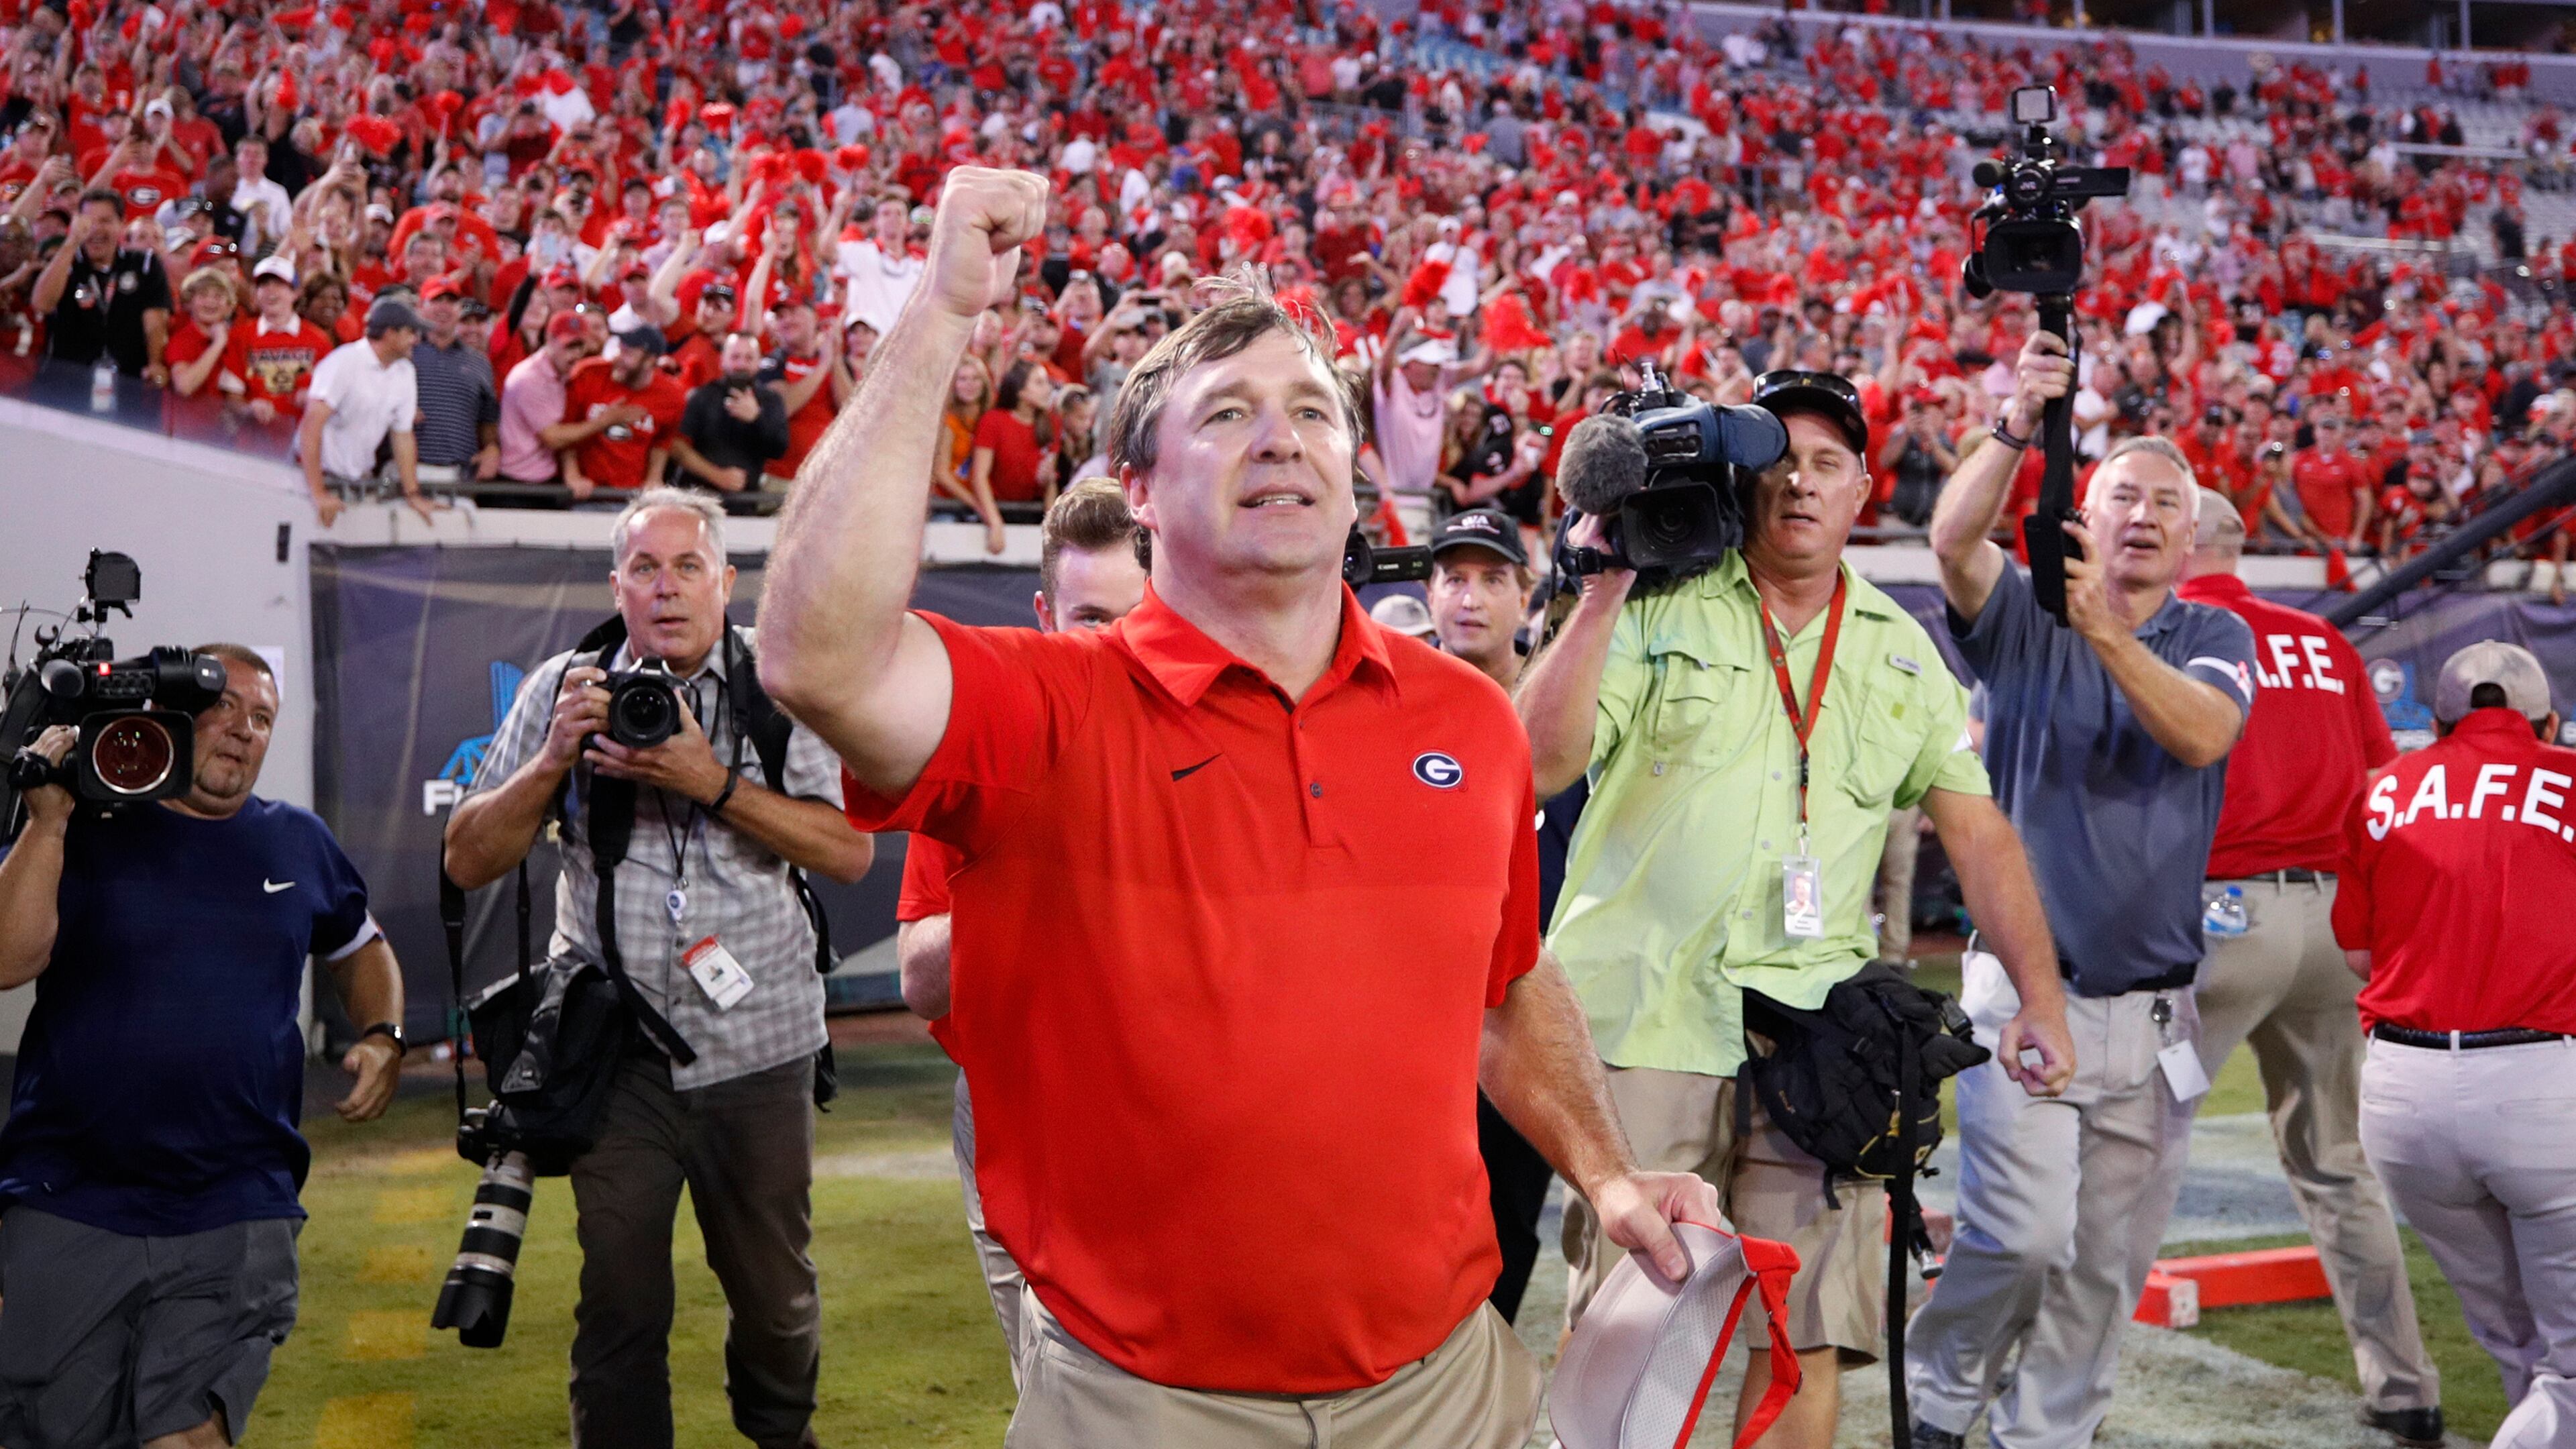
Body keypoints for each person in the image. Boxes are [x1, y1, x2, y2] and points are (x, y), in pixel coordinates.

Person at [760, 167, 1715, 1449]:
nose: (1282, 437)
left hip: (1448, 1389)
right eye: (1227, 413)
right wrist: (939, 312)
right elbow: (815, 656)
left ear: (1357, 474)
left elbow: (1504, 980)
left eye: (1314, 411)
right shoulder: (1049, 704)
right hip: (1142, 1405)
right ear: (1138, 491)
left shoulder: (1468, 722)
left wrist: (1605, 1167)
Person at [1517, 369, 2074, 1449]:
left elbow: (1981, 836)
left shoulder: (1902, 653)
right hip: (1644, 1022)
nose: (1801, 487)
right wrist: (1597, 588)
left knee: (1804, 1336)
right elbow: (1535, 764)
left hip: (1822, 1039)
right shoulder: (1653, 604)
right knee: (1634, 1328)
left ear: (1864, 489)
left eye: (1827, 465)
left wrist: (2041, 1004)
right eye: (1778, 466)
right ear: (1743, 488)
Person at [442, 488, 874, 1449]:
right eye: (646, 568)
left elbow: (848, 852)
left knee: (775, 1302)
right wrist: (555, 752)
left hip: (759, 1050)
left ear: (725, 582)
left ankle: (782, 1437)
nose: (667, 588)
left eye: (688, 567)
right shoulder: (568, 684)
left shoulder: (783, 681)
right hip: (617, 1051)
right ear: (618, 587)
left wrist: (708, 782)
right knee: (620, 1301)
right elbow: (468, 858)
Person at [1909, 331, 2261, 1449]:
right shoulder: (2024, 618)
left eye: (2167, 501)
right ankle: (1938, 1399)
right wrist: (2017, 417)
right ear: (2087, 515)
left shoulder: (2214, 632)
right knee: (2018, 1235)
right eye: (2123, 498)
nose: (2145, 516)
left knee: (2104, 1266)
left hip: (2156, 1009)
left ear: (2195, 531)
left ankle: (2043, 1433)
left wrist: (2109, 629)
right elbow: (1950, 540)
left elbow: (2204, 736)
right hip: (2024, 989)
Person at [0, 645, 405, 1449]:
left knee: (185, 1433)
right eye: (225, 707)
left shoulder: (296, 840)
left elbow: (362, 945)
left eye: (262, 719)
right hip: (71, 1192)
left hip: (236, 1195)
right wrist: (47, 821)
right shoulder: (85, 826)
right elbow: (8, 961)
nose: (243, 731)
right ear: (170, 712)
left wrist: (383, 1035)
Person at [2176, 488, 2445, 1446]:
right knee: (2339, 1166)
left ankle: (2054, 1392)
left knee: (2128, 1157)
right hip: (2334, 920)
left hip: (2220, 918)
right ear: (2242, 545)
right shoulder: (2322, 644)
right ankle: (2406, 1383)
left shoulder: (2172, 630)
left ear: (2174, 540)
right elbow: (2382, 782)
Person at [894, 478, 1150, 1378]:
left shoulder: (1218, 744)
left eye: (1132, 617)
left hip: (1172, 1100)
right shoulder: (982, 758)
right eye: (1088, 619)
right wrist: (1043, 864)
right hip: (1014, 1103)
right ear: (1044, 615)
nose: (1111, 646)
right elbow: (921, 979)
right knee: (1049, 1391)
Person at [2335, 642, 2576, 1449]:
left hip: (2403, 1096)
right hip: (2542, 1084)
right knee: (2570, 1368)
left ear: (2437, 724)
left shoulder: (2384, 791)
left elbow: (2359, 955)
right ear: (2548, 722)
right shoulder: (2569, 779)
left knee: (2520, 1341)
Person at [1421, 506, 1564, 1327]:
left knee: (1510, 1227)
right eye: (1453, 577)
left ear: (1527, 595)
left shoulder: (1569, 710)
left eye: (1492, 578)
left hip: (1534, 1010)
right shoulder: (1392, 699)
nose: (1470, 598)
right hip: (1423, 1018)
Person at [300, 297, 433, 526]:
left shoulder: (405, 372)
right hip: (315, 480)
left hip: (359, 482)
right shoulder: (344, 362)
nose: (416, 340)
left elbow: (402, 436)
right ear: (390, 333)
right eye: (411, 332)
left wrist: (413, 494)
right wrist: (318, 492)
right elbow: (311, 427)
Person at [32, 186, 169, 381]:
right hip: (65, 384)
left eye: (105, 221)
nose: (96, 229)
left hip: (128, 382)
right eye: (89, 221)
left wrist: (155, 363)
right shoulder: (62, 263)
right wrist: (71, 242)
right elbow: (42, 304)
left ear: (122, 223)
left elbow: (155, 322)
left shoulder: (145, 264)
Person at [551, 322, 687, 498]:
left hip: (633, 495)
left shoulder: (672, 396)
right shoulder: (588, 374)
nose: (618, 358)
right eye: (620, 349)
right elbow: (566, 431)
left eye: (628, 353)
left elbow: (662, 441)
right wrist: (572, 475)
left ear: (650, 361)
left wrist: (654, 477)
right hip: (587, 492)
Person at [223, 256, 333, 453]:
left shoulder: (319, 340)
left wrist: (313, 399)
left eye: (279, 284)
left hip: (302, 448)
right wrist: (250, 409)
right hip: (251, 446)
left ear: (296, 293)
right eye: (264, 285)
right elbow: (232, 398)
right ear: (255, 293)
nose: (271, 291)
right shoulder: (240, 336)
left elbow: (334, 398)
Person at [410, 276, 501, 486]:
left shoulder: (480, 362)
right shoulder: (404, 354)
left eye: (451, 301)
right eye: (436, 300)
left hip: (460, 474)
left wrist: (492, 449)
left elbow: (487, 420)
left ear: (459, 309)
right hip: (409, 470)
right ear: (420, 307)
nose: (444, 308)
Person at [676, 331, 789, 494]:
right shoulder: (702, 396)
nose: (741, 365)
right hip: (699, 494)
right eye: (735, 357)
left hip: (746, 500)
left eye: (749, 358)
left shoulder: (771, 400)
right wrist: (716, 475)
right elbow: (676, 446)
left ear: (759, 362)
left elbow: (779, 450)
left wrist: (756, 419)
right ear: (722, 360)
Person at [498, 311, 591, 486]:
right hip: (518, 482)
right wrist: (606, 421)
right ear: (550, 339)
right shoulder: (530, 378)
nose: (576, 354)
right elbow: (554, 438)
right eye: (569, 346)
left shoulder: (565, 373)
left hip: (546, 478)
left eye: (580, 346)